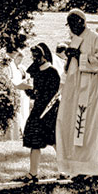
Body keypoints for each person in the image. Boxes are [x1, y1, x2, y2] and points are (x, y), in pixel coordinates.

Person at [56, 9, 98, 182]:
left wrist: (82, 56)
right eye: (69, 24)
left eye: (73, 23)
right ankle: (78, 169)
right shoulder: (75, 40)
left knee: (88, 129)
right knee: (73, 128)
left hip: (90, 92)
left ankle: (92, 170)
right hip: (74, 91)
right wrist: (70, 57)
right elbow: (70, 68)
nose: (71, 27)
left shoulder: (95, 38)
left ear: (82, 21)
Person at [19, 45, 60, 183]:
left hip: (49, 111)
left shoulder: (52, 72)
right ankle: (33, 173)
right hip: (37, 110)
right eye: (33, 56)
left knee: (55, 141)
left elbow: (52, 93)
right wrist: (29, 91)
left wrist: (37, 93)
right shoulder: (35, 70)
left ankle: (66, 170)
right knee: (34, 142)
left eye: (37, 56)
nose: (35, 59)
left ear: (44, 55)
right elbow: (33, 89)